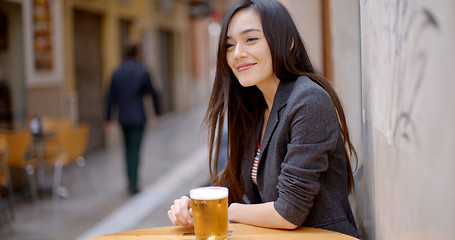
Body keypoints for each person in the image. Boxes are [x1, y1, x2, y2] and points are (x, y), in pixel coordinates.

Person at [168, 0, 358, 237]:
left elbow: (288, 212)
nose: (237, 54)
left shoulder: (308, 100)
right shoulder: (257, 108)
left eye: (251, 39)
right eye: (229, 44)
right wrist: (192, 206)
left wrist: (226, 210)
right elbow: (233, 186)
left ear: (287, 42)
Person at [105, 42, 161, 195]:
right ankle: (134, 183)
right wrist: (157, 112)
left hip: (123, 117)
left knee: (127, 149)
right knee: (135, 150)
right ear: (137, 53)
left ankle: (130, 181)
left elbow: (110, 97)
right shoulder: (142, 71)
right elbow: (152, 92)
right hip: (138, 117)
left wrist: (108, 118)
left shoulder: (117, 72)